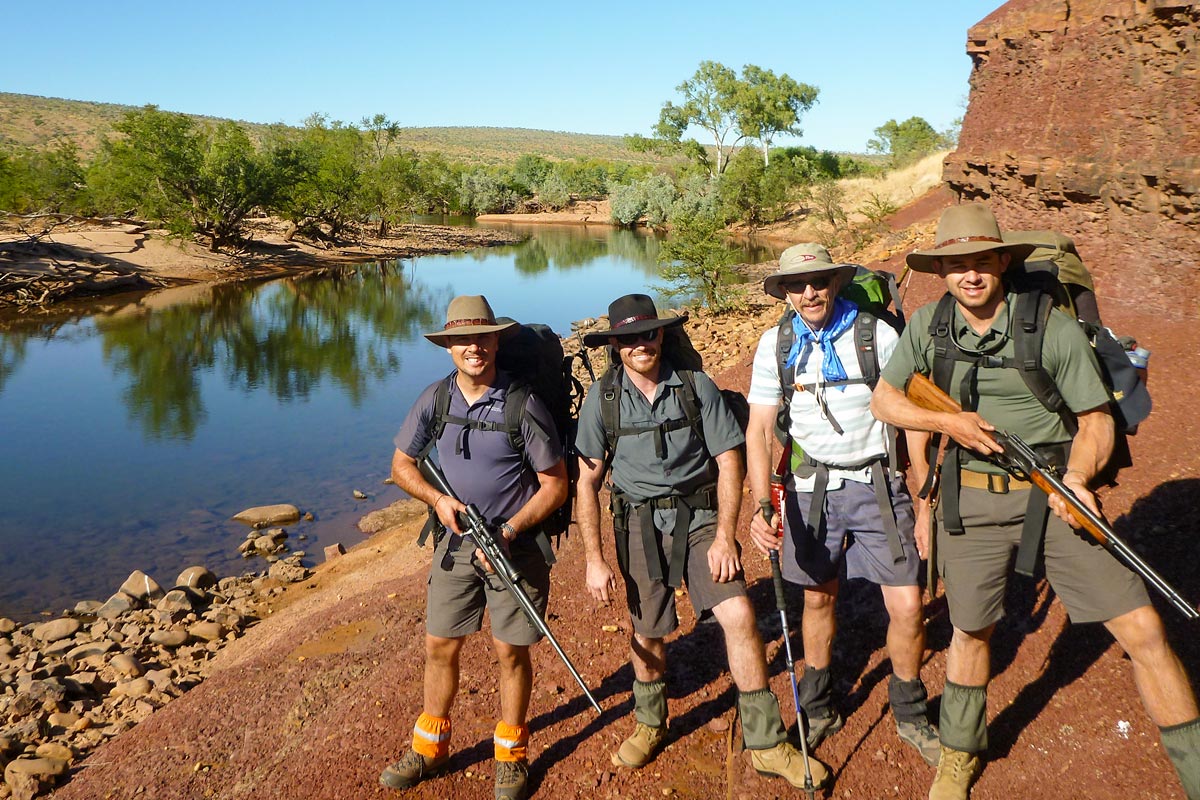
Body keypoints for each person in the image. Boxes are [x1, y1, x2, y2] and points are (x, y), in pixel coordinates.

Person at [870, 203, 1200, 800]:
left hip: (1055, 489)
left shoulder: (1049, 324)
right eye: (956, 263)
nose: (970, 274)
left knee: (1145, 628)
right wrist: (950, 425)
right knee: (971, 631)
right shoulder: (926, 325)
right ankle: (959, 755)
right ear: (940, 271)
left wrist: (1078, 478)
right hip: (969, 498)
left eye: (981, 260)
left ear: (1002, 261)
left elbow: (1097, 420)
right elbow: (885, 402)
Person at [574, 293, 829, 791]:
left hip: (700, 519)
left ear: (661, 335)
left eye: (647, 334)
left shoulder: (695, 386)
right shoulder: (602, 398)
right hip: (639, 526)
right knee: (647, 631)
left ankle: (766, 742)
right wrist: (593, 559)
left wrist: (725, 537)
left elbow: (730, 460)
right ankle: (651, 723)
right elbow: (586, 481)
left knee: (738, 615)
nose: (639, 345)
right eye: (627, 338)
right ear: (615, 345)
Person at [744, 242, 941, 766]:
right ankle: (818, 704)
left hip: (879, 482)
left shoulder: (878, 334)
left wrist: (924, 504)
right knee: (817, 599)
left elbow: (913, 421)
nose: (809, 292)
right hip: (811, 488)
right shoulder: (775, 345)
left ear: (833, 282)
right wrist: (761, 503)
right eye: (796, 284)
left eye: (818, 281)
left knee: (907, 605)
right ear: (784, 292)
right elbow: (760, 427)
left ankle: (910, 708)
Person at [379, 295, 568, 800]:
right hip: (454, 546)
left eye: (482, 337)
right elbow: (401, 467)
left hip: (516, 548)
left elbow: (555, 485)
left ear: (497, 341)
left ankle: (510, 755)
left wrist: (508, 531)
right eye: (462, 340)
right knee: (439, 646)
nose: (473, 348)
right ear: (448, 348)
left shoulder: (522, 402)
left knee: (511, 653)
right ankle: (429, 747)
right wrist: (437, 500)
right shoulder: (434, 400)